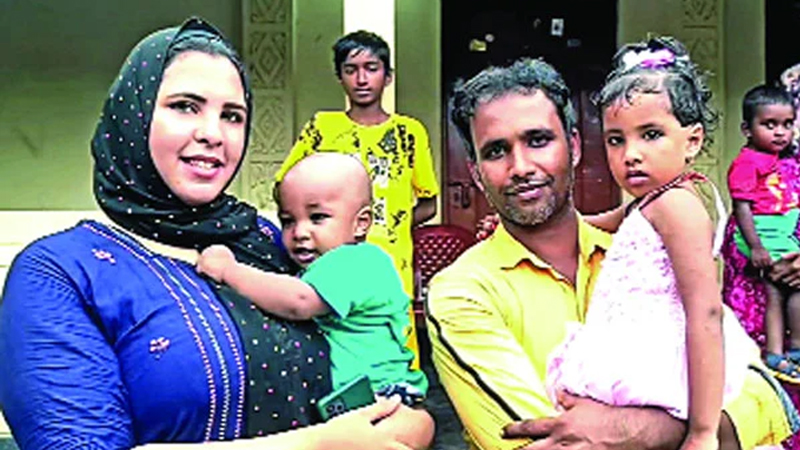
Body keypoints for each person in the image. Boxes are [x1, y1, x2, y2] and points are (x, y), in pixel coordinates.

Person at [0, 17, 426, 450]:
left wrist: (409, 425)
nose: (212, 134)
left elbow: (395, 405)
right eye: (185, 106)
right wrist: (315, 444)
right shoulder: (61, 273)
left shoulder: (266, 241)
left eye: (232, 116)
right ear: (134, 113)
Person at [425, 50, 799, 450]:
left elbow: (766, 401)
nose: (521, 167)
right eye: (496, 152)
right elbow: (546, 443)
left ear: (575, 147)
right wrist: (691, 429)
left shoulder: (649, 252)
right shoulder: (463, 292)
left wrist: (639, 432)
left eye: (538, 141)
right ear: (476, 173)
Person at [196, 152, 432, 449]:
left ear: (361, 223)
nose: (299, 232)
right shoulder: (322, 267)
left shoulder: (357, 261)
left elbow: (298, 301)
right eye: (288, 221)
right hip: (348, 406)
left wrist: (229, 271)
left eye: (317, 217)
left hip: (379, 400)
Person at [274, 30, 440, 366]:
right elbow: (283, 186)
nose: (361, 79)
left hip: (392, 264)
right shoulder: (322, 127)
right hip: (330, 264)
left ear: (388, 76)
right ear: (339, 77)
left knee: (396, 356)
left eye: (371, 68)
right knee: (333, 352)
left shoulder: (408, 132)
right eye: (351, 70)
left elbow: (428, 203)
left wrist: (393, 224)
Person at [727, 85, 800, 381]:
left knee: (787, 290)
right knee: (777, 289)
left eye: (787, 124)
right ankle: (778, 353)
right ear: (747, 129)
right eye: (770, 125)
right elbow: (742, 207)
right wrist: (756, 247)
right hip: (766, 237)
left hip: (783, 234)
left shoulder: (785, 162)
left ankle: (788, 350)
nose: (780, 132)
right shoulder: (747, 163)